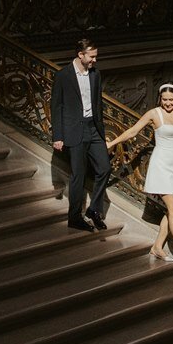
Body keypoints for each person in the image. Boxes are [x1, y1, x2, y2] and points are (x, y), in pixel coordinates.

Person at [107, 83, 173, 275]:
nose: (168, 103)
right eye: (164, 99)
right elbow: (133, 131)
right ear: (160, 98)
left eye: (171, 100)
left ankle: (157, 247)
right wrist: (112, 142)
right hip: (161, 166)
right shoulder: (154, 113)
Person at [51, 35, 111, 231]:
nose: (95, 60)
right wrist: (58, 136)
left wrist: (101, 130)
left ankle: (93, 209)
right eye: (92, 56)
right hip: (74, 130)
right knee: (78, 174)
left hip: (93, 129)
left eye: (95, 56)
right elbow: (56, 106)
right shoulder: (63, 75)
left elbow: (98, 104)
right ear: (80, 54)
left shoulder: (95, 74)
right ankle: (74, 217)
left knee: (104, 168)